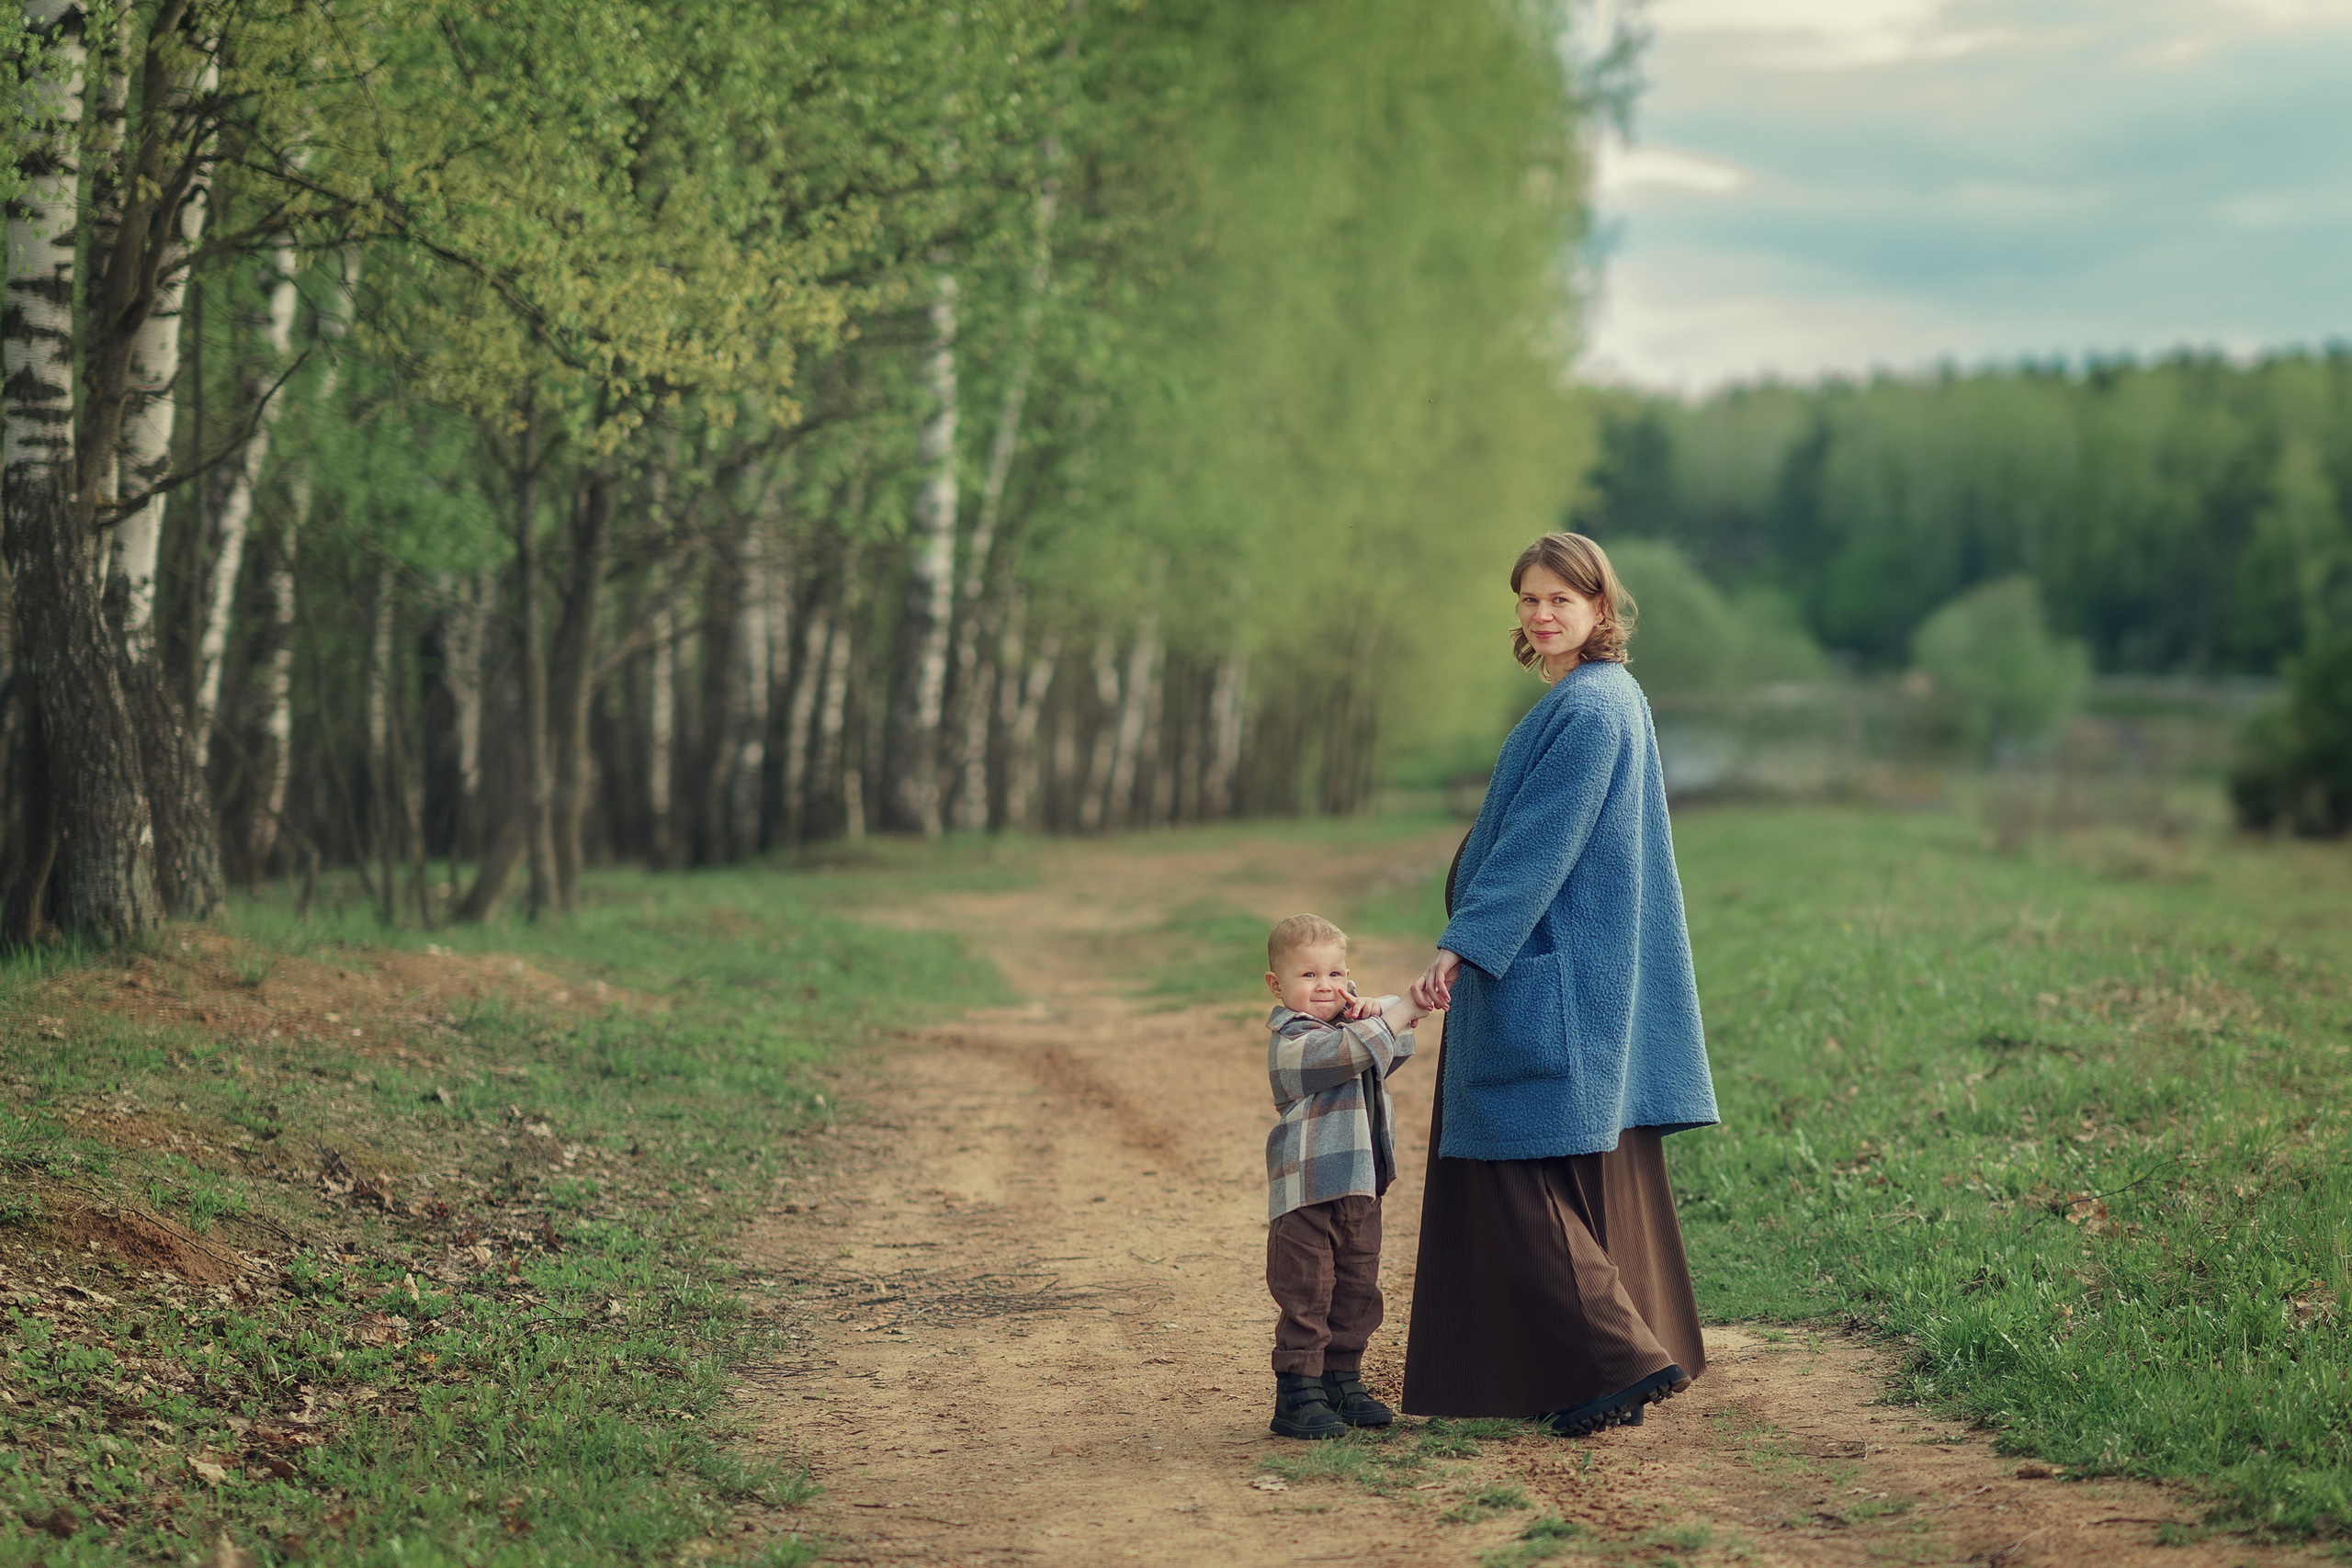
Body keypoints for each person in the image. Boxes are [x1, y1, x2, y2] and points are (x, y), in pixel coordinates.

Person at [1401, 531, 1720, 1438]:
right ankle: (1585, 1363)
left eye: (1560, 600)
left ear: (1598, 609)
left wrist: (1466, 944)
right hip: (1569, 968)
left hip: (1547, 970)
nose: (1542, 614)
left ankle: (1618, 1362)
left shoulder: (1590, 707)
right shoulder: (1603, 697)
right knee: (1561, 1173)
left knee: (1507, 1167)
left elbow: (1541, 842)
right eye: (1530, 600)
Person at [1258, 912, 1422, 1439]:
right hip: (1307, 1191)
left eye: (1336, 974)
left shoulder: (1355, 1028)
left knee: (1357, 1287)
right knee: (1308, 1289)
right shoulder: (1293, 1042)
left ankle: (1342, 1380)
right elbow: (1346, 1054)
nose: (1325, 985)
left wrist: (1378, 1010)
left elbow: (1393, 1049)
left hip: (1360, 1184)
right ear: (1277, 985)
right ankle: (1298, 1392)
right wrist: (1400, 1010)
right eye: (1308, 976)